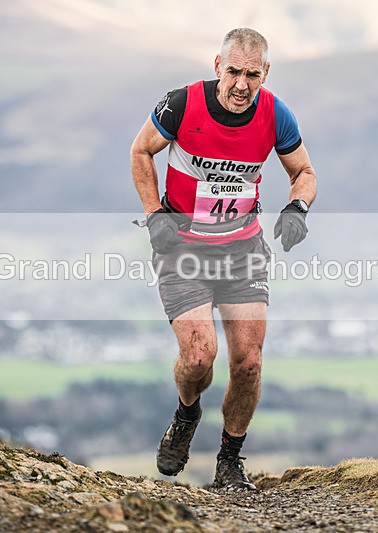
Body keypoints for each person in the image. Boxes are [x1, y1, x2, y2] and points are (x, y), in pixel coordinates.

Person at [130, 28, 316, 490]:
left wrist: (297, 207)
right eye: (233, 72)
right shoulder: (181, 104)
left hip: (242, 251)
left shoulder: (276, 114)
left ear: (265, 73)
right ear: (217, 66)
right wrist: (154, 214)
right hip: (183, 249)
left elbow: (304, 171)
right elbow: (141, 150)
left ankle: (230, 460)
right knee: (199, 358)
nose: (241, 85)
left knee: (248, 364)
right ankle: (186, 414)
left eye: (252, 75)